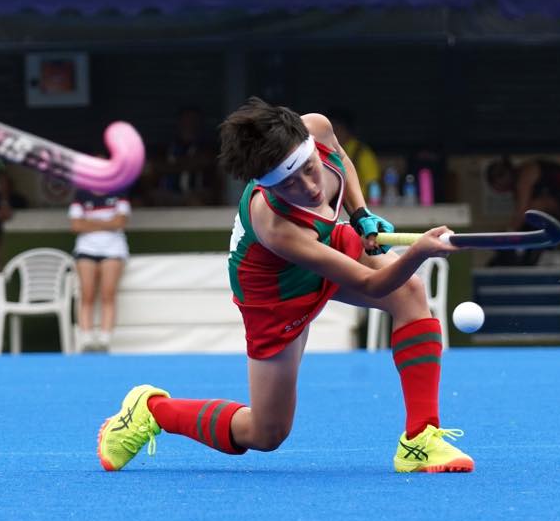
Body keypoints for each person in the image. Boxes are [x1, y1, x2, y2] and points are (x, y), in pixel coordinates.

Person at [97, 97, 474, 474]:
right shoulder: (276, 226)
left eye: (310, 169)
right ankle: (152, 411)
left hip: (323, 239)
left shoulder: (317, 127)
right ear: (268, 186)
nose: (310, 188)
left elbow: (340, 158)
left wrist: (361, 215)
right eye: (290, 184)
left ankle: (420, 439)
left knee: (410, 293)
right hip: (276, 293)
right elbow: (372, 284)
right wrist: (420, 253)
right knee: (267, 432)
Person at [486, 156, 560, 265]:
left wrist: (509, 234)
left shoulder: (526, 173)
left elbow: (523, 211)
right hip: (557, 213)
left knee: (534, 210)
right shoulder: (519, 189)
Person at [69, 184, 131, 352]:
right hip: (85, 249)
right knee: (86, 294)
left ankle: (105, 340)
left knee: (108, 294)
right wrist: (107, 223)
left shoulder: (119, 192)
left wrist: (89, 222)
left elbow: (120, 221)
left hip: (113, 250)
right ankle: (86, 339)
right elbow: (75, 225)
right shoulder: (81, 194)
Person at [147, 107, 219, 206]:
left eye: (193, 121)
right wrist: (186, 164)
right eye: (186, 121)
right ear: (179, 123)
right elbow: (155, 165)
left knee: (195, 202)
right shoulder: (166, 147)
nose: (189, 125)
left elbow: (203, 161)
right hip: (167, 193)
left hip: (196, 193)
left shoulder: (207, 147)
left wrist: (171, 165)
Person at [327, 107, 381, 198]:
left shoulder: (361, 152)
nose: (333, 133)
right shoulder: (322, 150)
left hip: (357, 206)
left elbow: (373, 183)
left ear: (346, 129)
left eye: (336, 129)